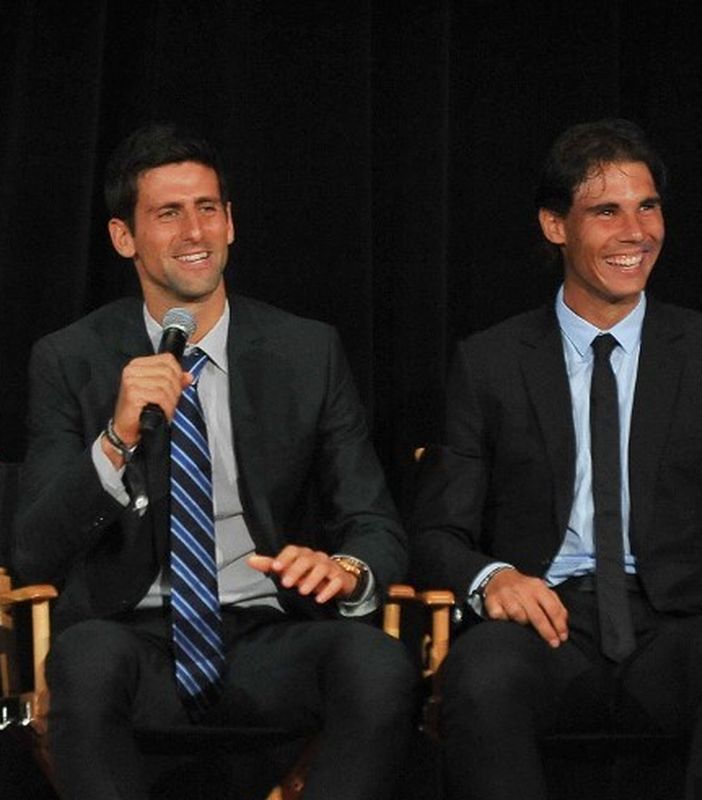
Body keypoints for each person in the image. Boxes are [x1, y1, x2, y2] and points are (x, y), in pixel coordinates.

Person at [412, 118, 702, 799]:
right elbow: (436, 533)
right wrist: (493, 579)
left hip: (674, 628)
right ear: (555, 225)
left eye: (648, 207)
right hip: (546, 624)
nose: (636, 233)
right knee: (480, 667)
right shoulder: (489, 362)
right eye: (607, 211)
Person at [13, 123, 415, 800]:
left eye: (208, 209)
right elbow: (31, 550)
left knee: (378, 664)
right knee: (81, 662)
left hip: (267, 634)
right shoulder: (70, 359)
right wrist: (114, 439)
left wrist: (345, 571)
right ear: (123, 237)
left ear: (230, 223)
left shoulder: (305, 352)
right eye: (168, 214)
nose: (194, 231)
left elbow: (374, 520)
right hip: (133, 636)